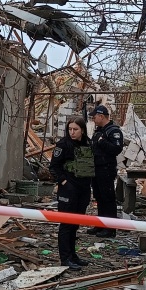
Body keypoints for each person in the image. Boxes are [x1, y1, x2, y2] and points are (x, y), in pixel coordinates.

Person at [49, 115, 94, 270]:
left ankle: (73, 255)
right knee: (66, 224)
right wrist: (64, 183)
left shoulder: (87, 143)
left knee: (75, 224)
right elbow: (54, 167)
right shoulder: (63, 144)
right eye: (70, 129)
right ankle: (65, 258)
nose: (72, 132)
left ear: (82, 130)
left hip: (83, 188)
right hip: (68, 189)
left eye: (75, 129)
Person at [90, 104, 125, 237]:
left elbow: (116, 149)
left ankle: (110, 228)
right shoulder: (99, 131)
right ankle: (100, 225)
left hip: (106, 169)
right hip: (96, 169)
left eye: (95, 116)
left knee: (108, 199)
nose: (93, 118)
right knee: (99, 197)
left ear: (101, 116)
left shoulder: (113, 131)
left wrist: (102, 142)